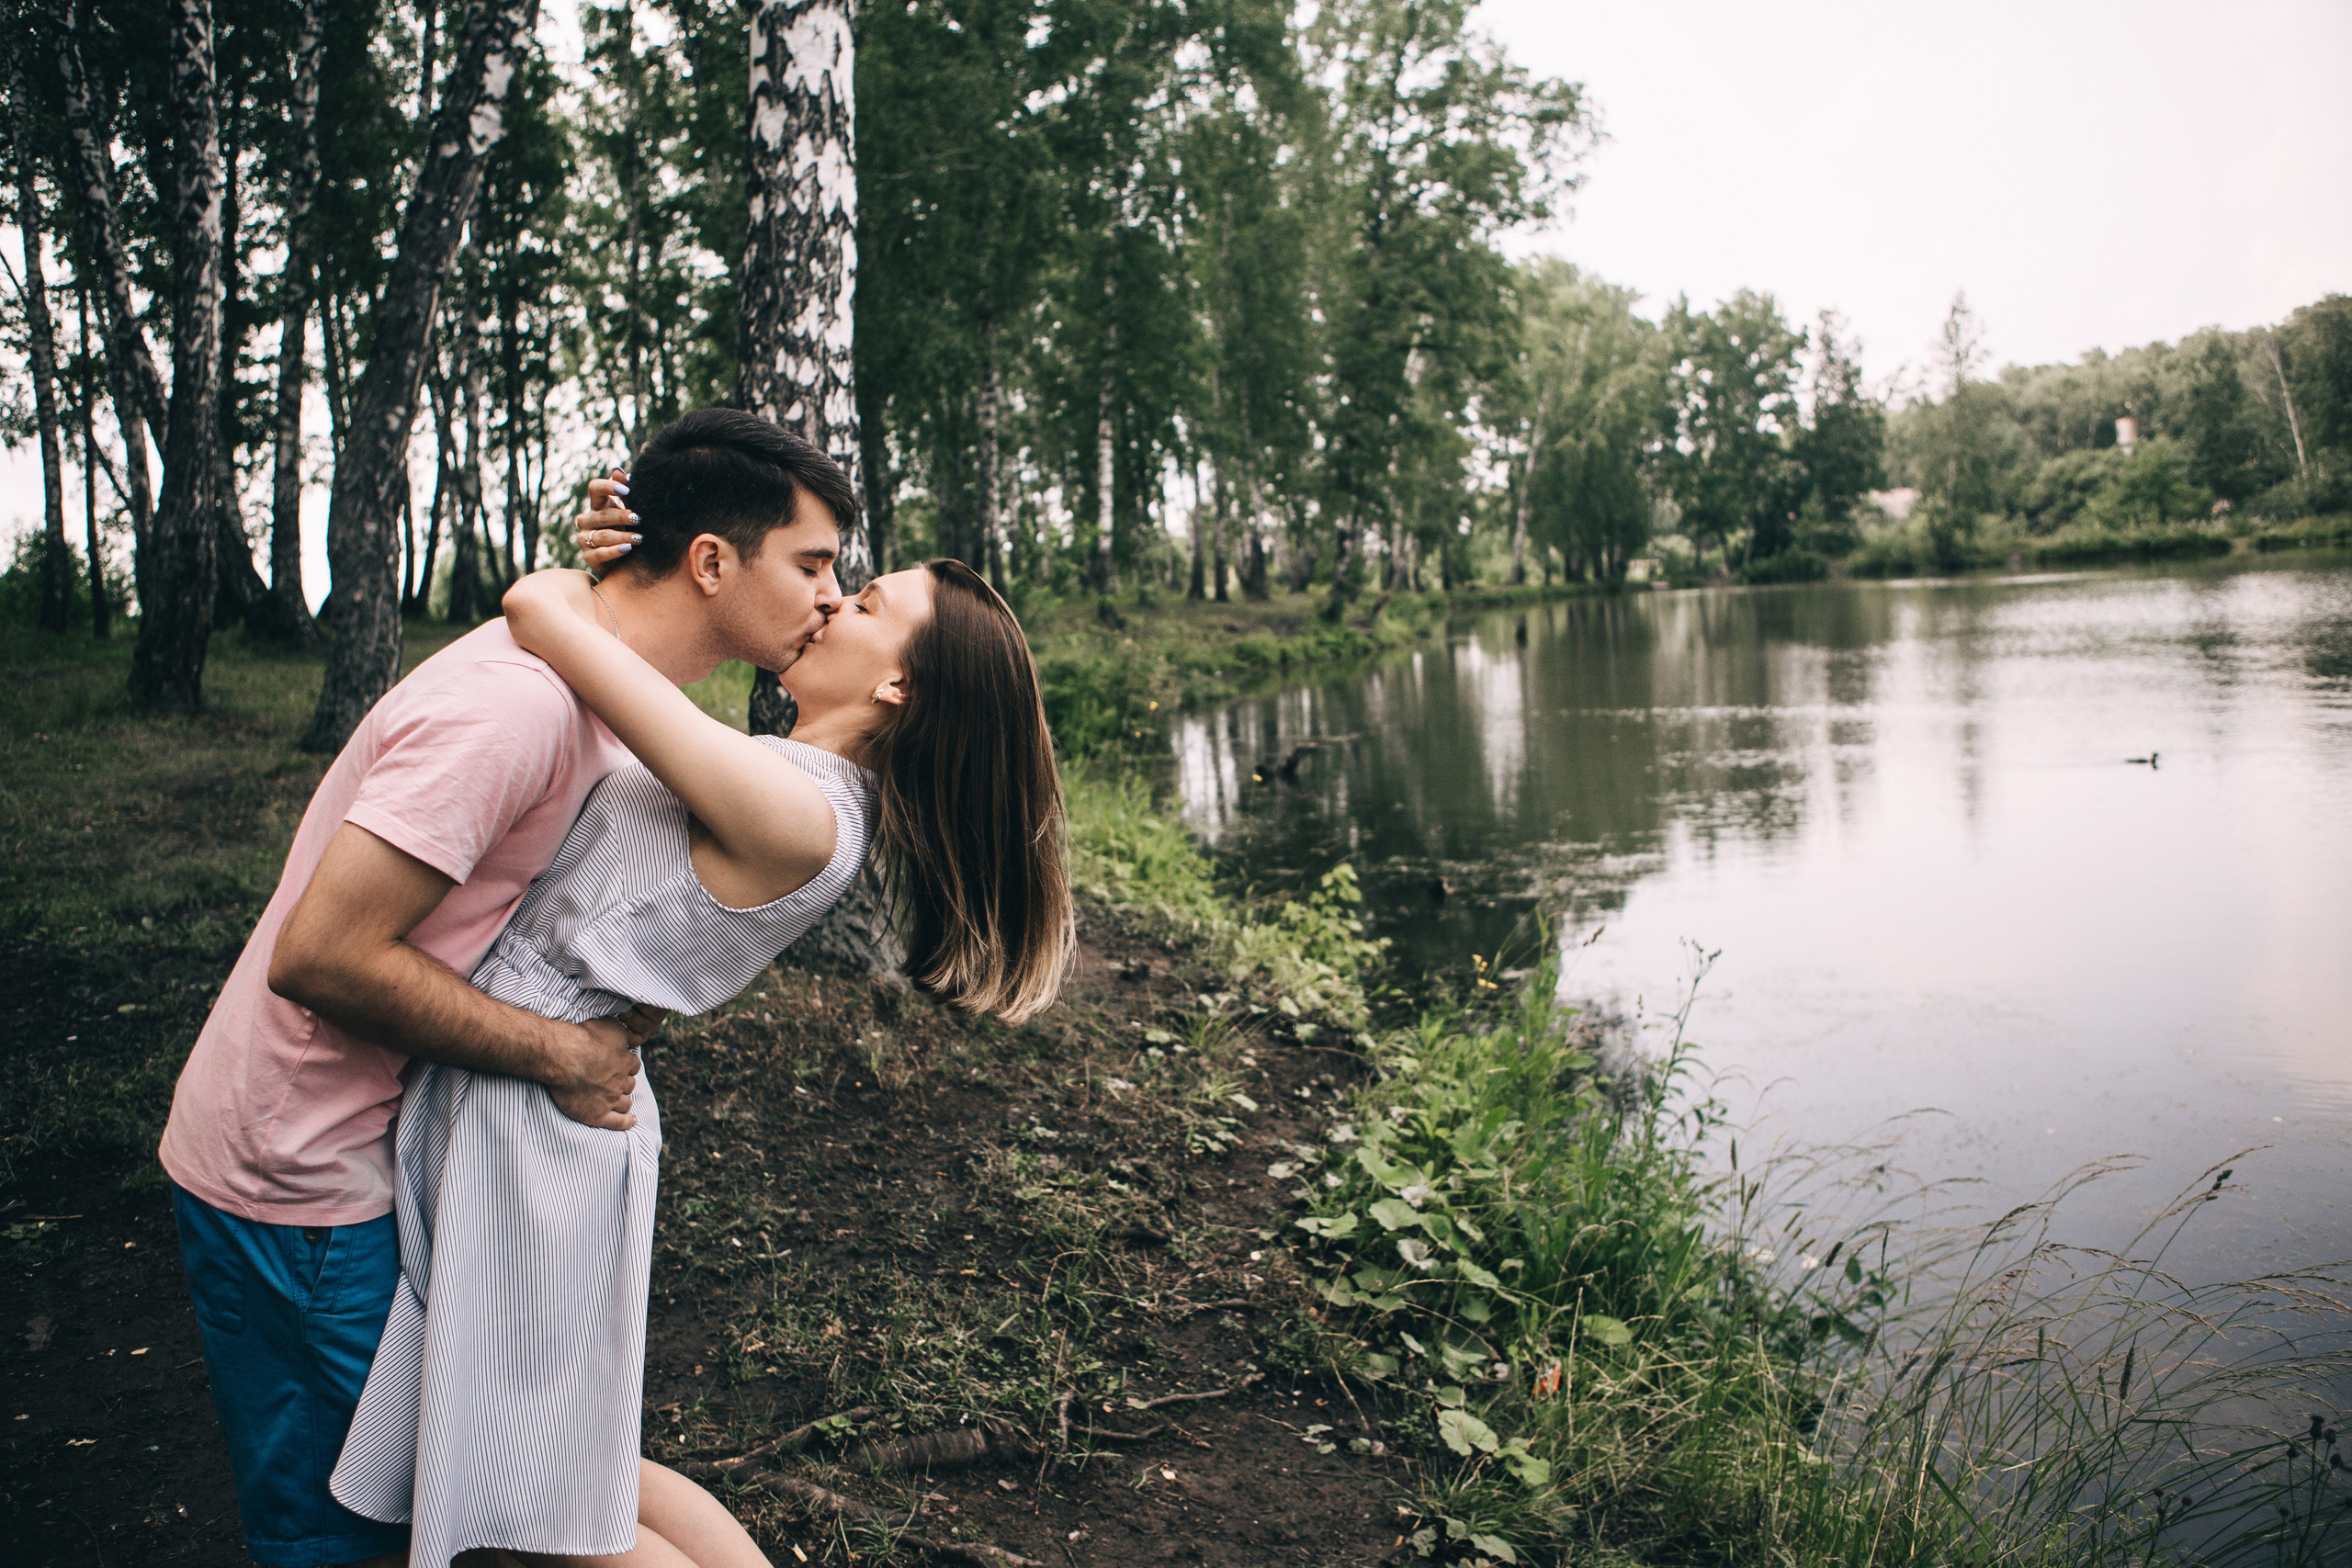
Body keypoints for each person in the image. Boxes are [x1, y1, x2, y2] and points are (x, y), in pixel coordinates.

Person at [328, 469, 1075, 1564]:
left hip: (534, 1122)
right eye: (836, 581)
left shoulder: (796, 810)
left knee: (535, 1516)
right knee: (574, 1470)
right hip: (542, 1106)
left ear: (898, 687)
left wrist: (620, 570)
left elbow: (541, 612)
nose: (833, 600)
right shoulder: (793, 781)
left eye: (865, 602)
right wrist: (642, 564)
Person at [159, 409, 853, 1568]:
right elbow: (322, 956)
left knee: (516, 1489)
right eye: (814, 564)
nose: (832, 596)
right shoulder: (515, 706)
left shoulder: (613, 693)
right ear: (711, 561)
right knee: (365, 1536)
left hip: (405, 1156)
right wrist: (559, 1051)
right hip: (303, 1172)